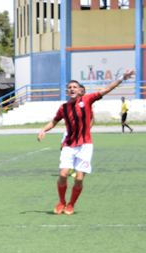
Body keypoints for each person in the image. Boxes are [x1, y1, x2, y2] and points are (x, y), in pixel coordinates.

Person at [37, 69, 136, 215]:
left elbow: (107, 89)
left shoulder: (87, 100)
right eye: (69, 87)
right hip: (69, 145)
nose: (72, 89)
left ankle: (71, 204)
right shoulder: (63, 107)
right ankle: (61, 202)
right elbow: (54, 121)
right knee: (63, 175)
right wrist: (43, 130)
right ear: (67, 91)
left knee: (79, 178)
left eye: (74, 87)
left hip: (85, 145)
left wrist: (122, 78)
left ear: (80, 91)